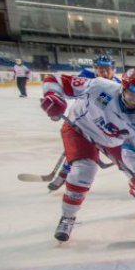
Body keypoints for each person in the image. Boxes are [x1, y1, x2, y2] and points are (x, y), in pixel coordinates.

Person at [39, 70, 135, 242]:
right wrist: (53, 96)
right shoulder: (100, 86)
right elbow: (54, 79)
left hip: (112, 141)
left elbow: (134, 149)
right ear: (123, 88)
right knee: (84, 170)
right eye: (131, 95)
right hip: (79, 128)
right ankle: (68, 217)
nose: (134, 101)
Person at [47, 55, 122, 191]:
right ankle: (63, 175)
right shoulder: (86, 77)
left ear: (113, 70)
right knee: (77, 152)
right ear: (95, 69)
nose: (104, 73)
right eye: (100, 69)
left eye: (108, 69)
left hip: (101, 126)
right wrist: (56, 103)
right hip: (82, 120)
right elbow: (71, 92)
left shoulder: (118, 85)